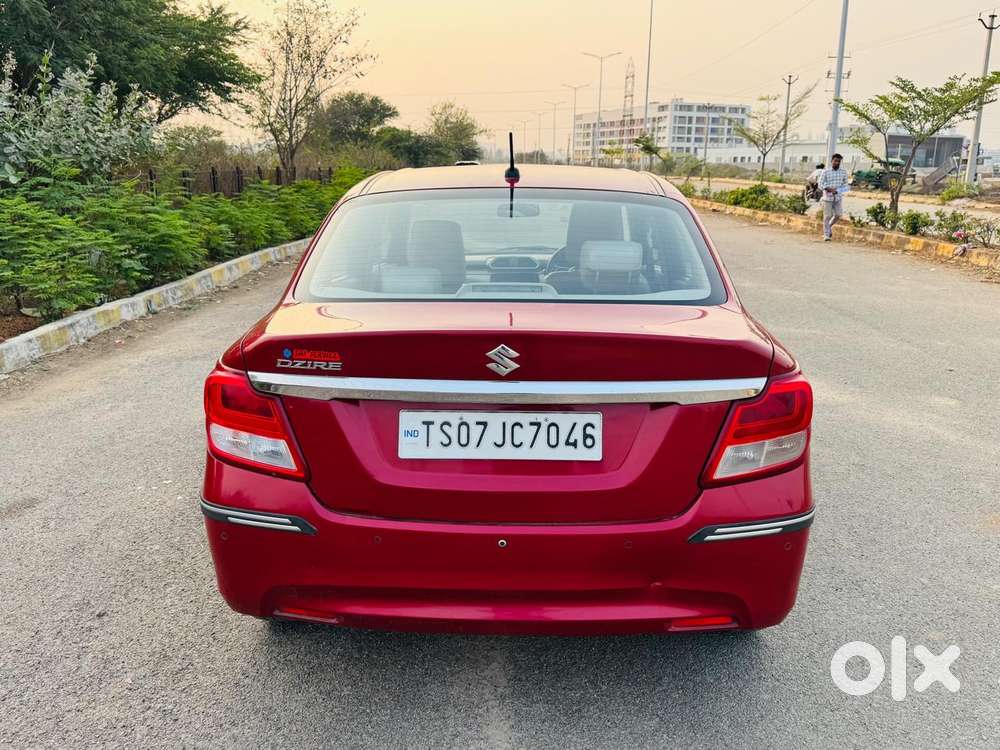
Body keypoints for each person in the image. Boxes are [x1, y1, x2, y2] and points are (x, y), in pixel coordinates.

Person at [818, 153, 847, 241]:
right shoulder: (825, 172)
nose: (837, 163)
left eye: (838, 161)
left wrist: (837, 190)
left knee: (838, 214)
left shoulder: (843, 172)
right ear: (832, 161)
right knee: (827, 216)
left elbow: (846, 186)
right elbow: (820, 184)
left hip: (838, 197)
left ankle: (829, 226)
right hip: (827, 197)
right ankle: (826, 235)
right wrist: (828, 188)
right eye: (835, 161)